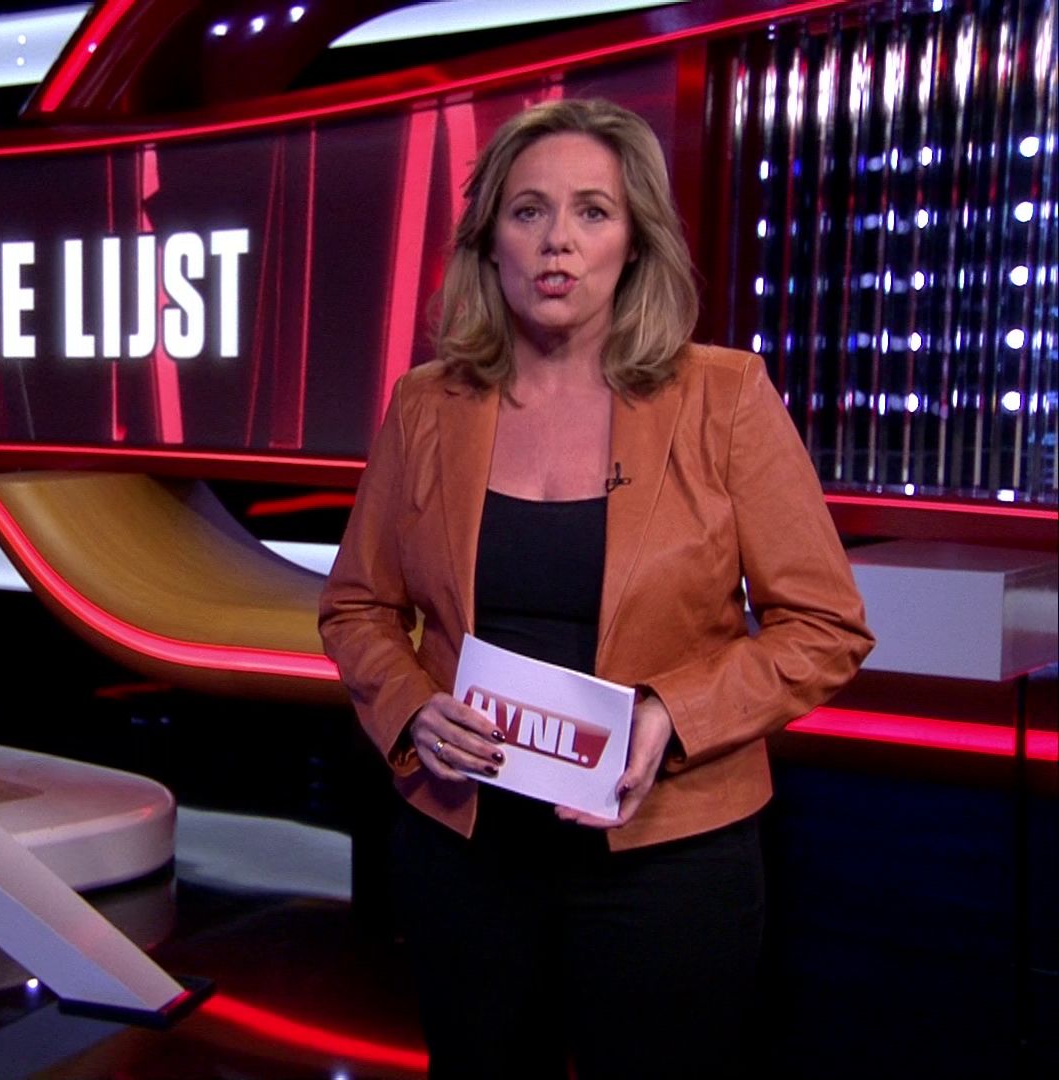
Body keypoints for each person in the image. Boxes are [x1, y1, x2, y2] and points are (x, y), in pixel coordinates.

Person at [318, 98, 873, 1080]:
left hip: (671, 859)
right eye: (528, 211)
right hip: (465, 849)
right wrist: (410, 709)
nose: (557, 242)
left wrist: (672, 716)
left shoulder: (725, 397)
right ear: (489, 241)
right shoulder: (426, 405)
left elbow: (824, 626)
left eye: (592, 211)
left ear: (636, 240)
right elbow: (358, 606)